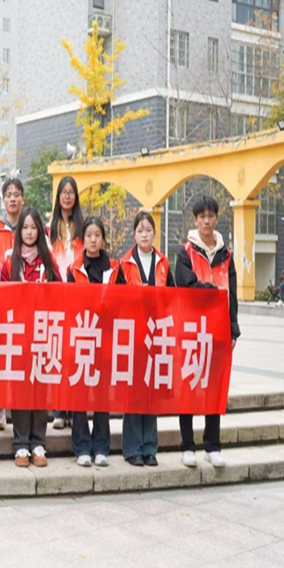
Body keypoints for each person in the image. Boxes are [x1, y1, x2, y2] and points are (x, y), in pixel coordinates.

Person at [175, 195, 240, 469]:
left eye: (210, 215)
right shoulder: (185, 252)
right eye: (201, 216)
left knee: (215, 387)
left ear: (216, 218)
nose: (206, 220)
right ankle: (187, 445)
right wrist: (212, 292)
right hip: (191, 329)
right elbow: (185, 285)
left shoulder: (227, 255)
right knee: (189, 385)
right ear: (195, 220)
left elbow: (232, 294)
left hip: (218, 331)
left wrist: (233, 328)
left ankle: (212, 446)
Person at [2, 208, 60, 467]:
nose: (28, 232)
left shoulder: (49, 261)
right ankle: (21, 444)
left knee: (40, 389)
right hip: (18, 334)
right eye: (24, 227)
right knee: (20, 390)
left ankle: (38, 442)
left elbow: (62, 293)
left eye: (33, 227)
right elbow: (1, 294)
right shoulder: (9, 261)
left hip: (44, 334)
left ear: (39, 231)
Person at [67, 216, 126, 467]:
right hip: (82, 336)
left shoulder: (114, 268)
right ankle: (81, 446)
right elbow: (68, 304)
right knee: (80, 394)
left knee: (102, 395)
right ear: (83, 239)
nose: (93, 240)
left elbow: (123, 300)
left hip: (106, 338)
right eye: (89, 235)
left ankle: (101, 446)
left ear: (103, 239)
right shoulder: (74, 269)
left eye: (97, 235)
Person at [118, 211, 175, 468]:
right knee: (134, 392)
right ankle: (132, 449)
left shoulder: (163, 263)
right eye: (140, 230)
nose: (144, 235)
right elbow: (118, 300)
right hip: (133, 336)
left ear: (154, 233)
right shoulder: (124, 263)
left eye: (148, 230)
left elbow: (174, 296)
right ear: (134, 234)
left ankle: (150, 448)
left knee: (152, 392)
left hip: (157, 334)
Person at [0, 179, 24, 432]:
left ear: (22, 199)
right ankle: (0, 410)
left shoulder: (30, 227)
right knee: (1, 354)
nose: (12, 199)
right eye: (8, 195)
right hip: (1, 298)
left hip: (25, 300)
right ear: (3, 200)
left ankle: (21, 407)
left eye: (16, 194)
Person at [49, 176, 84, 430]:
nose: (67, 196)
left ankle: (75, 408)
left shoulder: (83, 227)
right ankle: (59, 410)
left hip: (79, 295)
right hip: (56, 295)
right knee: (58, 353)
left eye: (71, 192)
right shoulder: (50, 228)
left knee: (76, 353)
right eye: (64, 192)